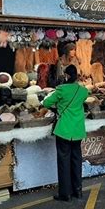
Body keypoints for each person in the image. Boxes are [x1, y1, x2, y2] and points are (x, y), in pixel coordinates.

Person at [43, 64, 88, 201]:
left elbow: (46, 103)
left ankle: (65, 194)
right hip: (78, 130)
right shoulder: (83, 91)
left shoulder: (61, 90)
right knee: (76, 161)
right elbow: (86, 97)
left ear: (66, 76)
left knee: (64, 162)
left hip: (64, 130)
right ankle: (78, 191)